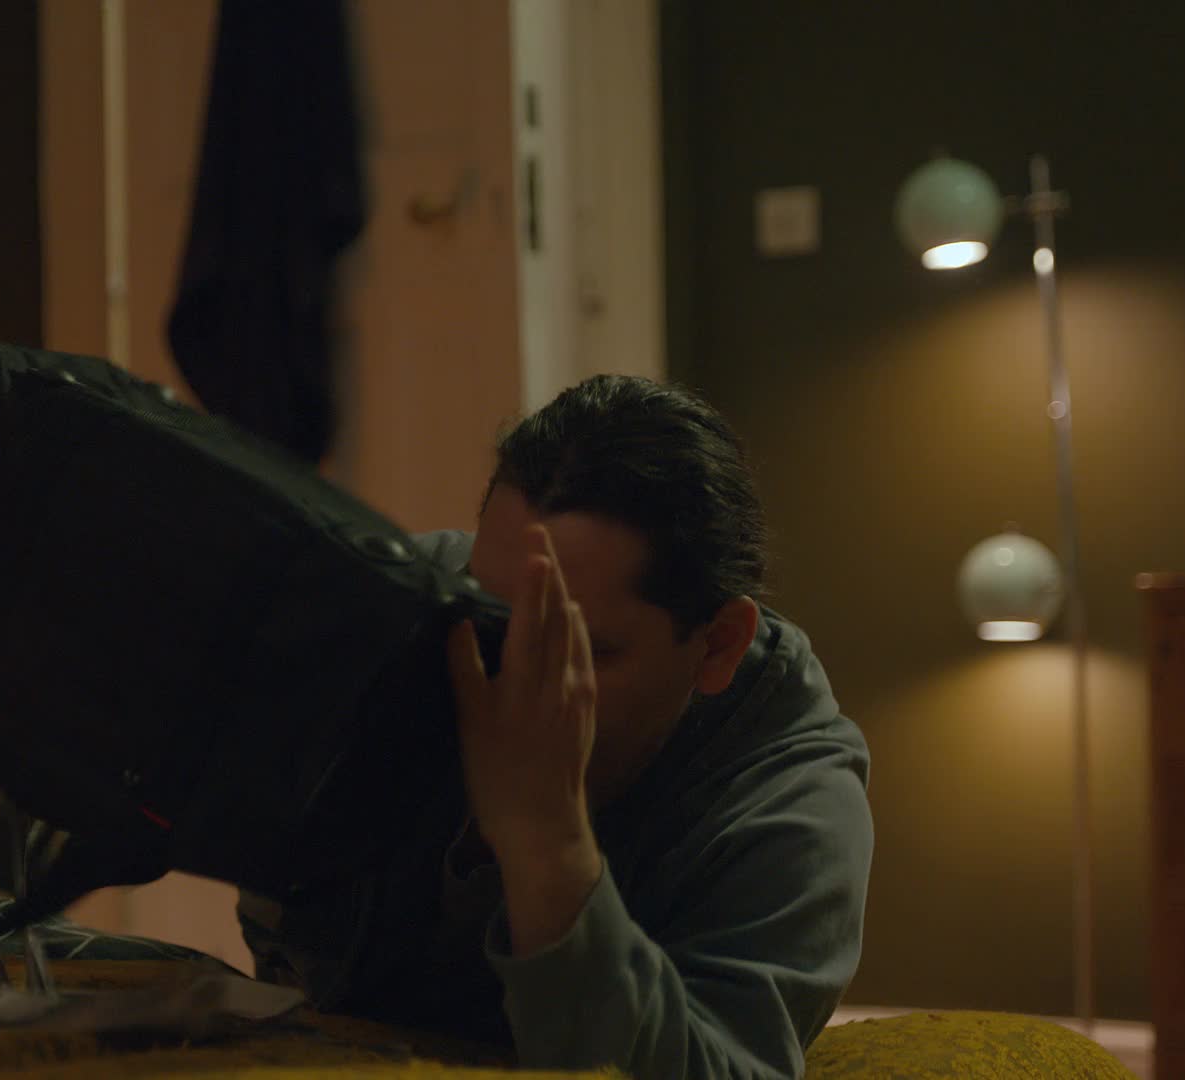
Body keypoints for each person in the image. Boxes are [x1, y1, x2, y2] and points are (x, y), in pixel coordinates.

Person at [236, 374, 874, 1080]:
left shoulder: (790, 803)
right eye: (490, 616)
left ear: (718, 644)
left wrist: (549, 848)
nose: (510, 672)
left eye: (576, 647)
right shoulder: (406, 608)